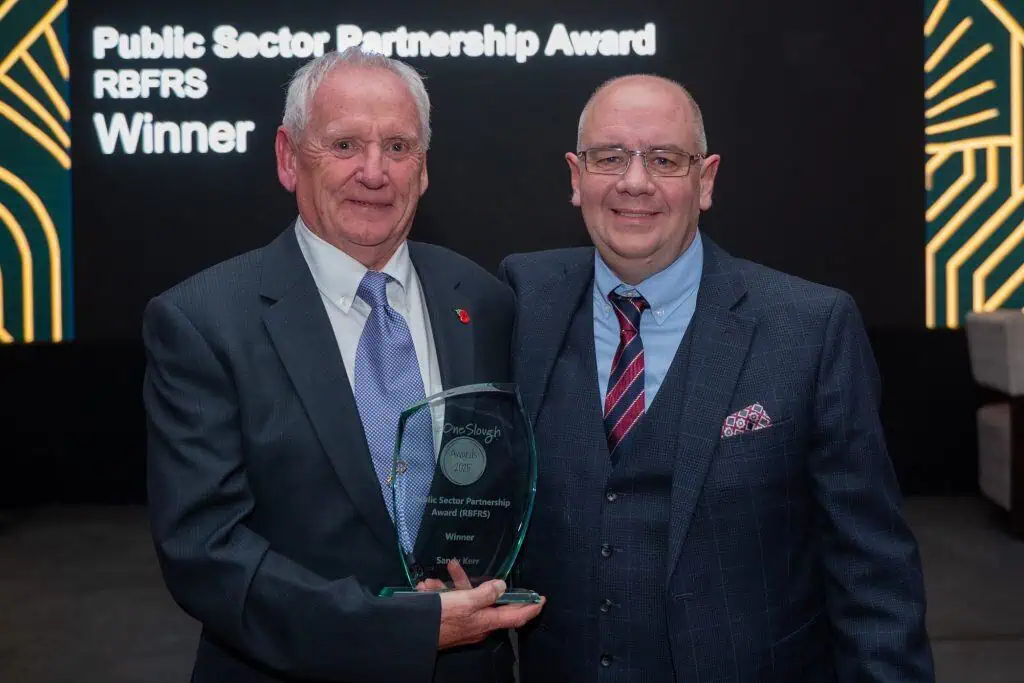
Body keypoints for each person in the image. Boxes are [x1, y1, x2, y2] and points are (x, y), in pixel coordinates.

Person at [498, 74, 935, 682]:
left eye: (664, 159)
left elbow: (873, 574)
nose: (634, 181)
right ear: (576, 177)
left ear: (705, 181)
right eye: (609, 158)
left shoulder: (809, 328)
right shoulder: (521, 302)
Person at [142, 47, 542, 683]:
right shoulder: (203, 321)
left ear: (425, 168)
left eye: (399, 147)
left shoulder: (485, 302)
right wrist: (404, 630)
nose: (374, 172)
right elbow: (206, 553)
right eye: (346, 144)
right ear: (287, 157)